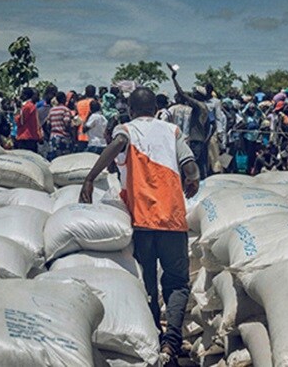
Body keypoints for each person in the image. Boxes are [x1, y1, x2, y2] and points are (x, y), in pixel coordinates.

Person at [79, 87, 199, 366]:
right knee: (177, 281)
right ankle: (171, 342)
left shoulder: (127, 129)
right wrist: (191, 179)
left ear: (131, 110)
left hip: (141, 219)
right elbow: (189, 163)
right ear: (156, 109)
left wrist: (90, 177)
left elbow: (116, 145)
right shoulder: (172, 131)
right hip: (172, 218)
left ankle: (153, 337)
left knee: (145, 280)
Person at [168, 63, 211, 179]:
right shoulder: (204, 107)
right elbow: (209, 127)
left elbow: (182, 94)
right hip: (200, 140)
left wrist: (174, 78)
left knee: (191, 165)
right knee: (200, 166)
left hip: (195, 141)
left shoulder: (199, 106)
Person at [47, 91, 75, 159]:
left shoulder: (52, 110)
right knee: (64, 159)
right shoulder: (66, 110)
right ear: (63, 99)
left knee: (53, 158)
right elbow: (66, 123)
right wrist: (71, 134)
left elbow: (48, 124)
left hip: (53, 137)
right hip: (63, 137)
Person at [15, 87, 42, 152]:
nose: (20, 96)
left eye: (21, 94)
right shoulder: (32, 106)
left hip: (26, 138)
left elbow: (21, 122)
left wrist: (18, 110)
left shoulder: (27, 106)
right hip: (31, 137)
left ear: (25, 95)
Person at [75, 85, 97, 152]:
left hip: (80, 134)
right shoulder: (96, 104)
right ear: (94, 93)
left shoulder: (79, 103)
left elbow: (76, 118)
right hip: (93, 136)